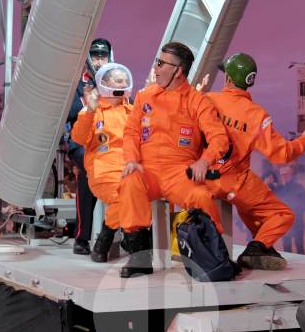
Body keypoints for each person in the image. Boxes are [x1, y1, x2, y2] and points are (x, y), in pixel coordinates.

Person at [115, 41, 231, 278]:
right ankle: (140, 256)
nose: (155, 68)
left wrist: (204, 161)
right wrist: (131, 159)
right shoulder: (144, 96)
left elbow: (220, 138)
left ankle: (213, 260)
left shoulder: (197, 101)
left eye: (161, 63)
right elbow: (131, 133)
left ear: (178, 71)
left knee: (201, 197)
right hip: (146, 170)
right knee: (129, 183)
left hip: (179, 173)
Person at [205, 53, 305, 270]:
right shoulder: (257, 115)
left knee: (254, 216)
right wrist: (304, 141)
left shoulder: (207, 100)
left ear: (228, 79)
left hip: (204, 179)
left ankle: (258, 246)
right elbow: (281, 155)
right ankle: (257, 247)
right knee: (282, 215)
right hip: (237, 183)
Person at [70, 62, 135, 262]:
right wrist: (89, 110)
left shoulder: (132, 111)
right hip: (103, 170)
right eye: (118, 80)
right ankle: (110, 240)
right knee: (122, 198)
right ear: (105, 83)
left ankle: (113, 236)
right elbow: (79, 138)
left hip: (131, 168)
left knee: (141, 196)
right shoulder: (91, 112)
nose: (123, 83)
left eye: (125, 80)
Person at [66, 37, 113, 255]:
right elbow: (70, 113)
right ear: (87, 58)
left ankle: (121, 233)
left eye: (103, 56)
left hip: (109, 140)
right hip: (81, 140)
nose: (99, 60)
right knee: (88, 168)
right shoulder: (75, 82)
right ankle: (82, 237)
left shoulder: (116, 80)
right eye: (95, 55)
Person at [274, 164, 305, 255]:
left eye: (286, 174)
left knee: (299, 246)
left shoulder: (298, 187)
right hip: (284, 222)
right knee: (286, 245)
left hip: (297, 222)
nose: (284, 176)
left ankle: (302, 266)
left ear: (291, 175)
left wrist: (295, 213)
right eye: (282, 175)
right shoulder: (279, 188)